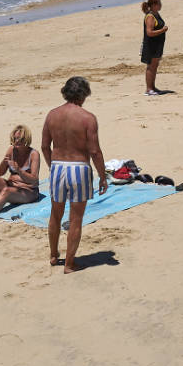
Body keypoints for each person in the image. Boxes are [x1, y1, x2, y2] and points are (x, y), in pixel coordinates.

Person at [42, 78, 107, 274]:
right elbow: (94, 151)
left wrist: (52, 166)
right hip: (79, 168)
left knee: (55, 214)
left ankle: (54, 255)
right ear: (84, 94)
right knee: (76, 218)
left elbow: (45, 146)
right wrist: (102, 176)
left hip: (58, 167)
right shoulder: (88, 118)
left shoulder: (52, 115)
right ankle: (69, 264)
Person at [139, 0, 167, 96]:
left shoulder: (156, 14)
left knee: (155, 66)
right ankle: (148, 89)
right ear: (154, 5)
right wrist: (162, 30)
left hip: (157, 45)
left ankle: (153, 87)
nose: (161, 5)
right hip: (151, 46)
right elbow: (149, 33)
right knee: (150, 67)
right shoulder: (150, 16)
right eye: (159, 3)